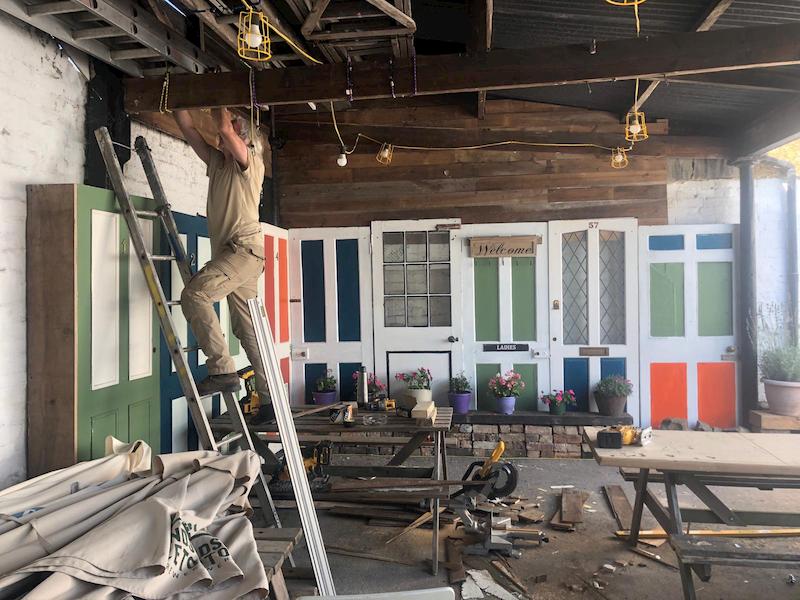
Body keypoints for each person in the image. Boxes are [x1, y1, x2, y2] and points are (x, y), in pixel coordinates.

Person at [174, 108, 274, 421]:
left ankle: (221, 370)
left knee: (195, 295)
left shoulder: (251, 163)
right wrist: (180, 99)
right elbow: (187, 127)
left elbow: (226, 130)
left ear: (245, 139)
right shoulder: (218, 164)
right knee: (248, 332)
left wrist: (217, 96)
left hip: (244, 251)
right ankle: (271, 400)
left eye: (230, 132)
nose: (221, 137)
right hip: (236, 256)